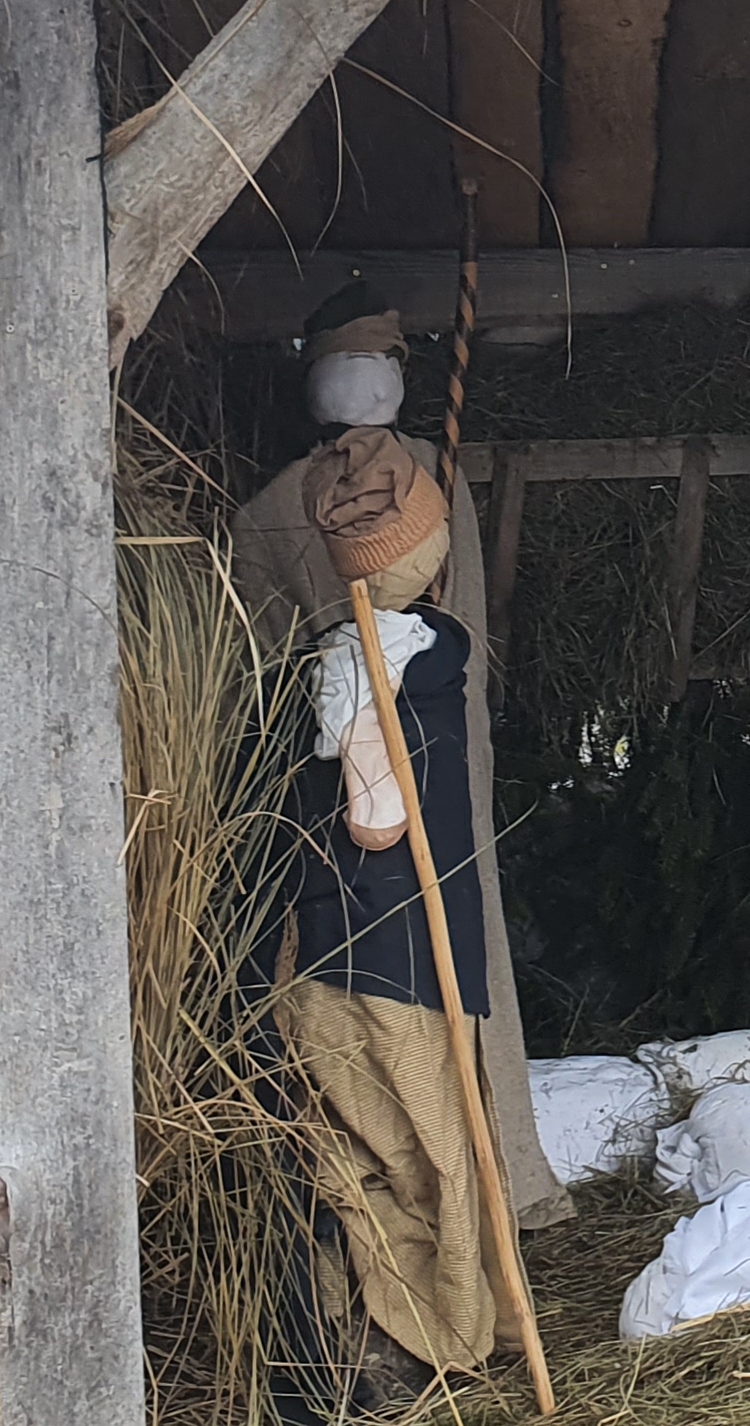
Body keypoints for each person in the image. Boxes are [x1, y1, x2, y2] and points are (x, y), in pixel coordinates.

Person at [229, 289, 561, 1248]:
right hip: (391, 774)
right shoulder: (421, 486)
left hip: (353, 776)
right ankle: (451, 1200)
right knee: (410, 983)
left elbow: (254, 652)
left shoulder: (292, 504)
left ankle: (453, 1188)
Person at [269, 429, 504, 1373]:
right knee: (429, 1147)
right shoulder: (397, 664)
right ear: (432, 551)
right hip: (396, 948)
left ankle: (391, 1316)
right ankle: (441, 1325)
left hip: (329, 943)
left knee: (358, 1144)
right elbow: (377, 818)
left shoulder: (341, 662)